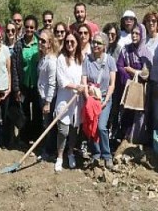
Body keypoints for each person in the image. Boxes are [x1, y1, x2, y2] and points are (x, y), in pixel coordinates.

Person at [82, 32, 116, 169]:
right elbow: (84, 80)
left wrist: (105, 100)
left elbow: (112, 84)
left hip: (104, 99)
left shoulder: (110, 61)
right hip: (91, 99)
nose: (95, 45)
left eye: (98, 43)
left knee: (102, 127)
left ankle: (107, 155)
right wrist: (87, 97)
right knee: (92, 127)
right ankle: (96, 153)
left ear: (105, 46)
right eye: (94, 42)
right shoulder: (87, 60)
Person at [115, 24, 152, 143]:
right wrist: (128, 79)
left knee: (139, 114)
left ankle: (136, 140)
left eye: (137, 34)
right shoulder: (125, 49)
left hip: (141, 89)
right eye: (133, 33)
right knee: (126, 113)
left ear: (142, 35)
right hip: (126, 87)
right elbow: (120, 66)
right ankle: (124, 139)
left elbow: (146, 73)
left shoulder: (146, 53)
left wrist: (133, 71)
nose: (134, 36)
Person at [54, 32, 85, 172]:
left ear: (77, 43)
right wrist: (75, 86)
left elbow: (84, 77)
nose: (70, 44)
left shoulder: (81, 59)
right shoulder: (61, 59)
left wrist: (83, 87)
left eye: (72, 41)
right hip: (64, 100)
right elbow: (62, 81)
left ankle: (70, 152)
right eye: (67, 42)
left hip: (77, 101)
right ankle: (59, 156)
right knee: (63, 131)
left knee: (74, 130)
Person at [11, 15, 41, 145]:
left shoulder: (40, 42)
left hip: (37, 85)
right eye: (27, 27)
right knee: (24, 112)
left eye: (32, 27)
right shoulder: (19, 45)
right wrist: (16, 88)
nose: (29, 29)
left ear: (36, 28)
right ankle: (25, 137)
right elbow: (15, 69)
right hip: (24, 85)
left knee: (37, 112)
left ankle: (37, 137)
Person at [37, 29, 58, 160]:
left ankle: (49, 151)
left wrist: (48, 103)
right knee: (45, 124)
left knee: (49, 126)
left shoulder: (51, 61)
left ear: (50, 43)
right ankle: (47, 147)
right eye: (40, 40)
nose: (40, 42)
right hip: (42, 95)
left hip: (47, 98)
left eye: (43, 41)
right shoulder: (43, 57)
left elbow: (52, 83)